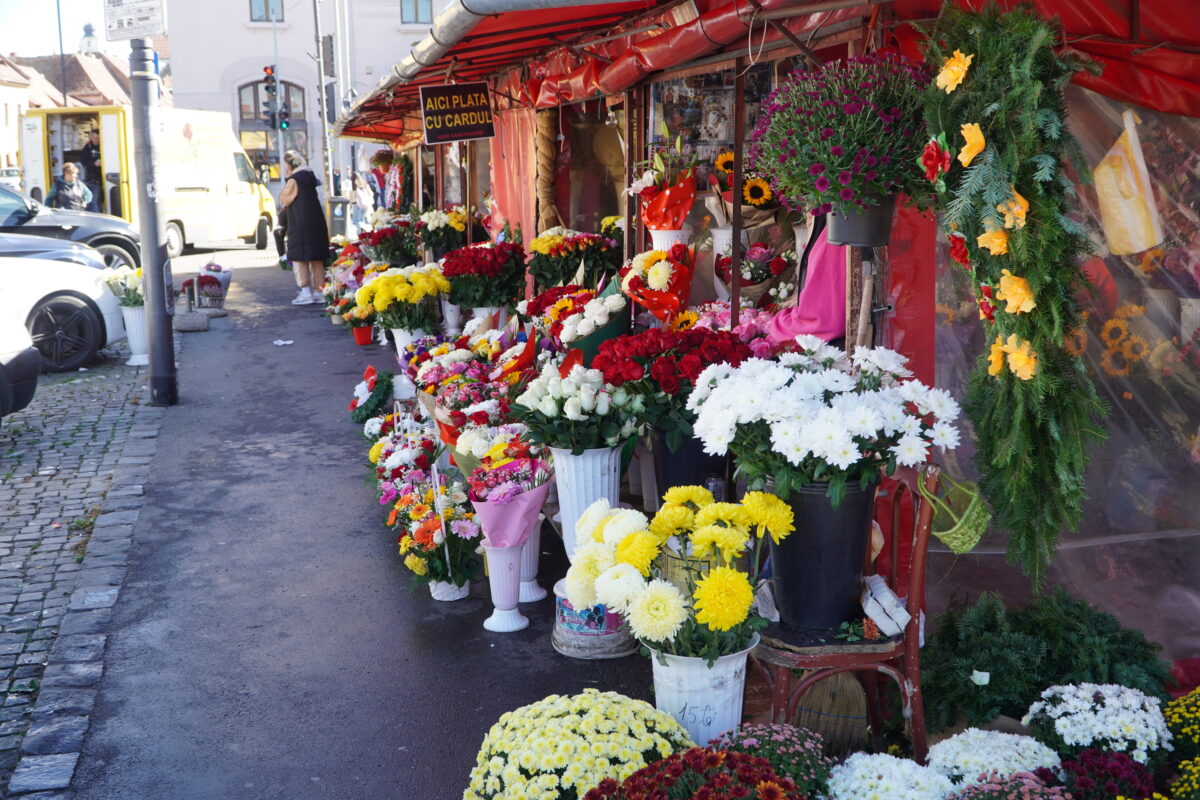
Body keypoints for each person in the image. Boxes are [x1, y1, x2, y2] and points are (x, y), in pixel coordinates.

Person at [279, 150, 330, 305]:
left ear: (289, 164)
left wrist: (288, 177)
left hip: (300, 224)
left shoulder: (294, 180)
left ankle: (306, 293)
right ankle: (319, 291)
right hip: (316, 223)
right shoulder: (309, 177)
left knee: (300, 258)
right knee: (316, 258)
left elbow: (284, 199)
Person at [80, 130, 102, 212]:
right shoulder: (87, 147)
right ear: (91, 138)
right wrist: (94, 164)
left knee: (98, 202)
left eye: (98, 138)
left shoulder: (104, 145)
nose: (97, 140)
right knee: (94, 203)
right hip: (93, 179)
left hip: (104, 179)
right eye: (95, 138)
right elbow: (83, 162)